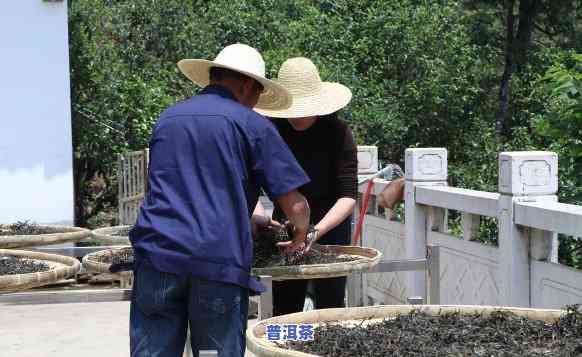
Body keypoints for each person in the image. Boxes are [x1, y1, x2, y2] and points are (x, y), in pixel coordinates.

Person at [128, 44, 312, 357]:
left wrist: (250, 218)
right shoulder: (252, 125)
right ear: (247, 85)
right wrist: (298, 236)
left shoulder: (168, 119)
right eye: (257, 95)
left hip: (157, 259)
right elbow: (297, 207)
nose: (255, 104)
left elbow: (168, 190)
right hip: (217, 263)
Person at [254, 57, 357, 316]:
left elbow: (348, 196)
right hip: (286, 228)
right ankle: (282, 352)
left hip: (331, 226)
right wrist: (263, 219)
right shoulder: (271, 130)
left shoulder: (338, 132)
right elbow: (249, 183)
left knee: (330, 305)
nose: (297, 116)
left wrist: (313, 232)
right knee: (285, 306)